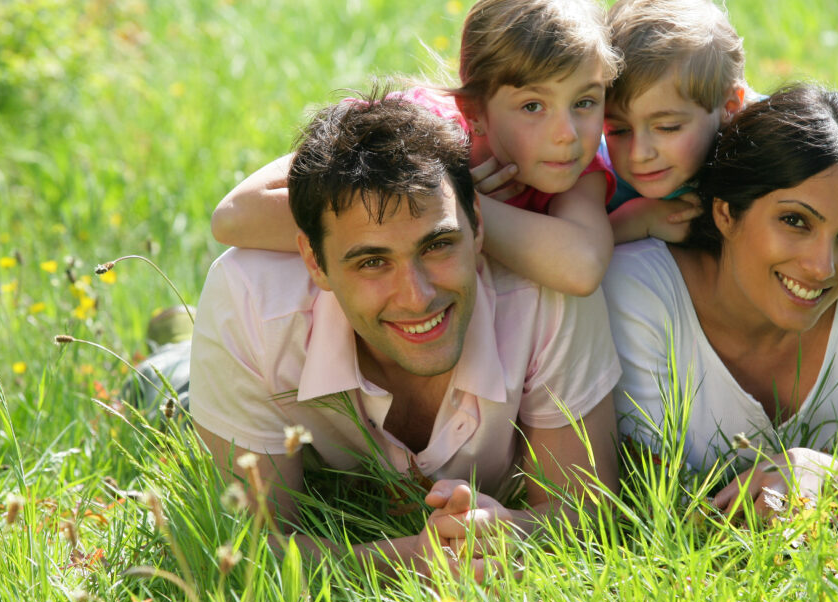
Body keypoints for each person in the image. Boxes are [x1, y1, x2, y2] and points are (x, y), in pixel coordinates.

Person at [190, 87, 620, 577]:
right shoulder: (248, 301)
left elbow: (590, 512)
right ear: (315, 263)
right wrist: (413, 560)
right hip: (213, 371)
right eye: (372, 262)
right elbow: (241, 552)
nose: (416, 296)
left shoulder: (546, 292)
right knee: (160, 383)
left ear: (478, 226)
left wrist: (516, 530)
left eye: (437, 245)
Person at [602, 84, 838, 516]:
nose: (822, 267)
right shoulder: (640, 290)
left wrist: (820, 473)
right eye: (795, 221)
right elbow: (657, 503)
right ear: (724, 213)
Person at [210, 0, 622, 296]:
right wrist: (435, 201)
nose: (567, 133)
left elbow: (581, 268)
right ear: (474, 111)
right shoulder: (412, 127)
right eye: (533, 106)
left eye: (585, 102)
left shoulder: (579, 166)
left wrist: (459, 204)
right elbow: (234, 216)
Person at [602, 0, 838, 298]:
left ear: (731, 105)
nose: (638, 153)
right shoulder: (603, 171)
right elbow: (579, 257)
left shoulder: (777, 146)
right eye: (617, 129)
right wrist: (633, 220)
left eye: (667, 127)